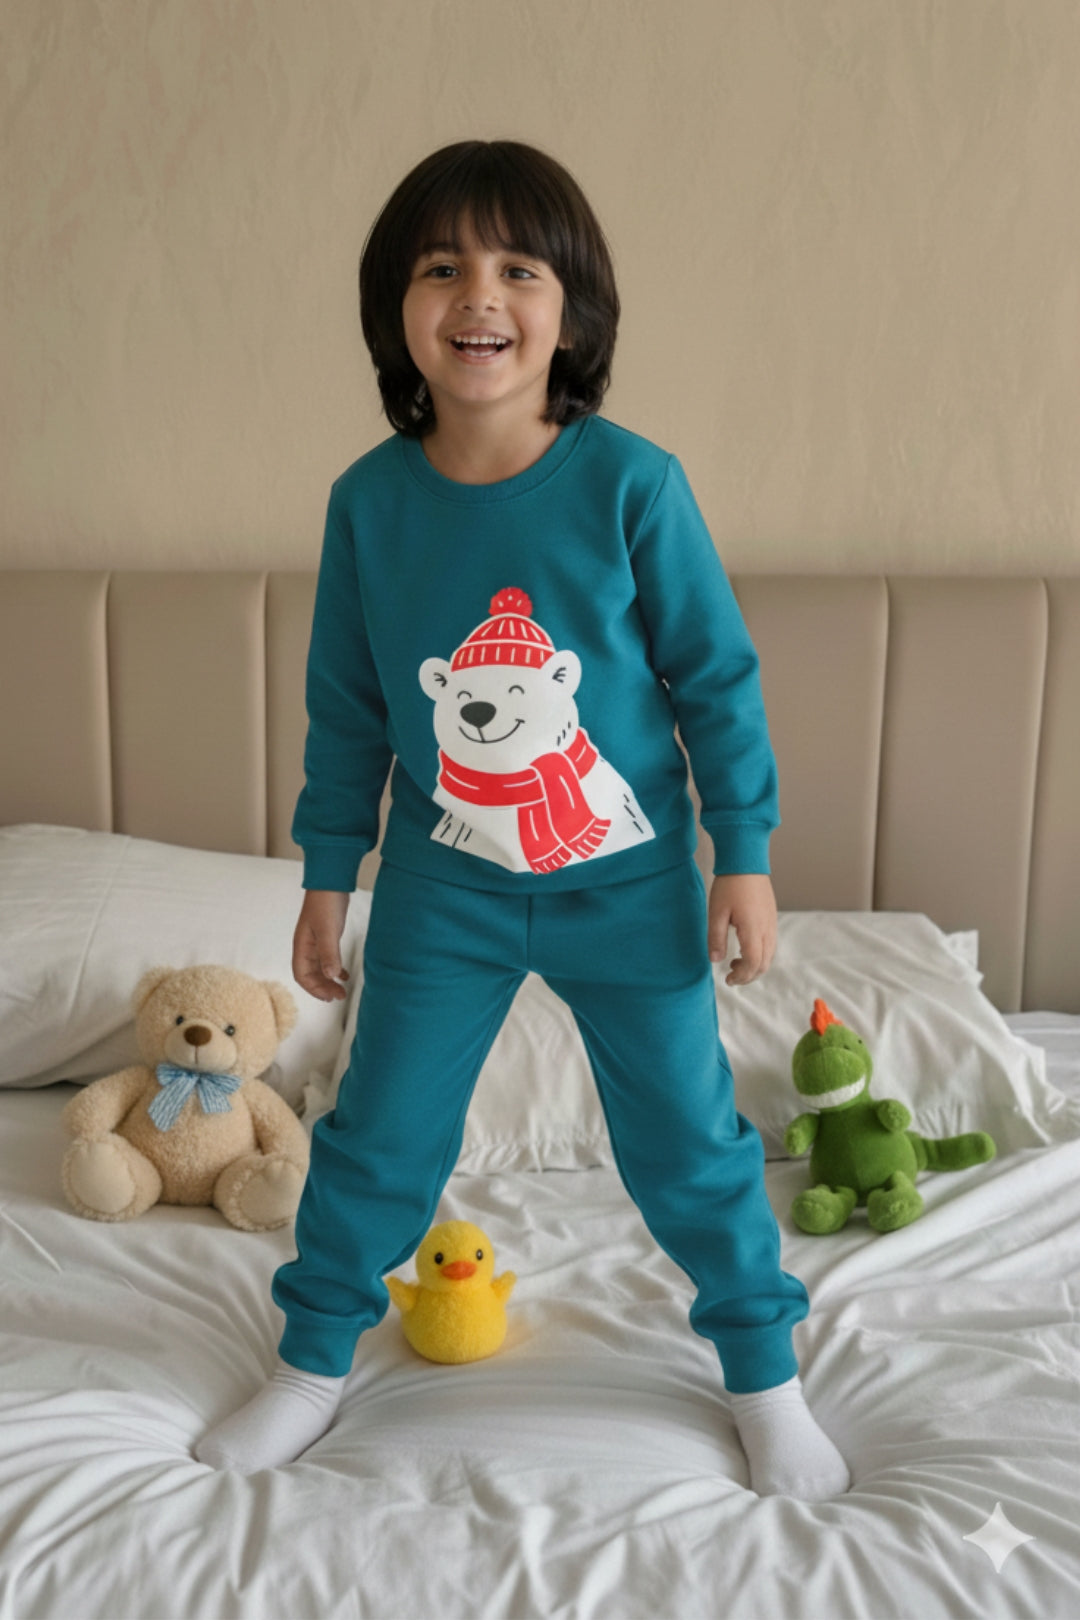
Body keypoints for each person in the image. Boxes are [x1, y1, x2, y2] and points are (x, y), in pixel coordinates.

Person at [194, 139, 850, 1499]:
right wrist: (327, 873)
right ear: (397, 307)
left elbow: (715, 680)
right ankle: (312, 1362)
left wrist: (743, 854)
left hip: (630, 883)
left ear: (571, 310)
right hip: (446, 889)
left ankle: (763, 1373)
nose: (478, 296)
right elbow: (347, 708)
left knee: (688, 1137)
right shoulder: (370, 505)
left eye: (516, 270)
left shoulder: (633, 485)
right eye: (441, 268)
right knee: (379, 1131)